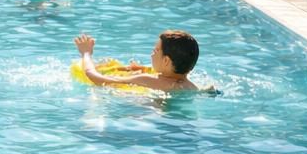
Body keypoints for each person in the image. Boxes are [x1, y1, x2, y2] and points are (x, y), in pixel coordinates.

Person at [74, 31, 207, 92]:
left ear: (166, 60)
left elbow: (96, 78)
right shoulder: (190, 87)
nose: (151, 54)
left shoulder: (147, 80)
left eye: (155, 51)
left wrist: (86, 53)